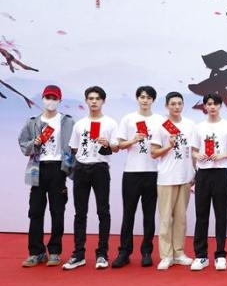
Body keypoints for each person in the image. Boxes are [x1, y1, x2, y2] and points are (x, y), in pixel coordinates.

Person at [63, 86, 119, 270]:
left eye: (97, 98)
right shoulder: (80, 124)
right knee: (80, 212)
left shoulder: (110, 123)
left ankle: (102, 254)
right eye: (91, 98)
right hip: (81, 168)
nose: (94, 101)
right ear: (86, 101)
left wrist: (107, 144)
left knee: (103, 211)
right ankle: (78, 254)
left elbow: (116, 147)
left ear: (103, 101)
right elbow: (74, 147)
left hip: (100, 169)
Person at [18, 85, 74, 267]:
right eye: (48, 97)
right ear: (42, 99)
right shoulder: (33, 122)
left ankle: (55, 251)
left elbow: (74, 146)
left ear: (60, 100)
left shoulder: (67, 121)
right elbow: (23, 144)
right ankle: (36, 252)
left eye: (54, 98)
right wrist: (33, 144)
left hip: (58, 168)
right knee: (35, 211)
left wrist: (70, 168)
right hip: (38, 168)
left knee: (57, 211)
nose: (51, 101)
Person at [113, 86, 163, 268]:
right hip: (131, 172)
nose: (145, 100)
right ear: (137, 99)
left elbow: (170, 141)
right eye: (142, 97)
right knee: (128, 214)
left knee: (149, 215)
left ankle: (147, 252)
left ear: (153, 100)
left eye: (148, 97)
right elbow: (119, 145)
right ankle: (124, 252)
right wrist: (134, 140)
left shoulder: (160, 120)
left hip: (153, 172)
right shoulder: (128, 119)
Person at [190, 94, 227, 271]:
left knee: (220, 215)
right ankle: (201, 256)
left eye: (215, 104)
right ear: (204, 106)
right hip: (203, 173)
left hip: (220, 173)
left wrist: (221, 155)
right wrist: (199, 155)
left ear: (220, 106)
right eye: (209, 104)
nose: (212, 107)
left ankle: (220, 255)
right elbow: (193, 151)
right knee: (201, 215)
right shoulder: (199, 127)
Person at [150, 91, 196, 271]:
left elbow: (192, 151)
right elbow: (154, 153)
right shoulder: (160, 126)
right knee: (165, 219)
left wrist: (194, 171)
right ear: (167, 106)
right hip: (166, 178)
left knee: (181, 218)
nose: (176, 107)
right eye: (173, 104)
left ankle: (179, 253)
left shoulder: (190, 125)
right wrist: (169, 145)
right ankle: (166, 255)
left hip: (185, 177)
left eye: (179, 103)